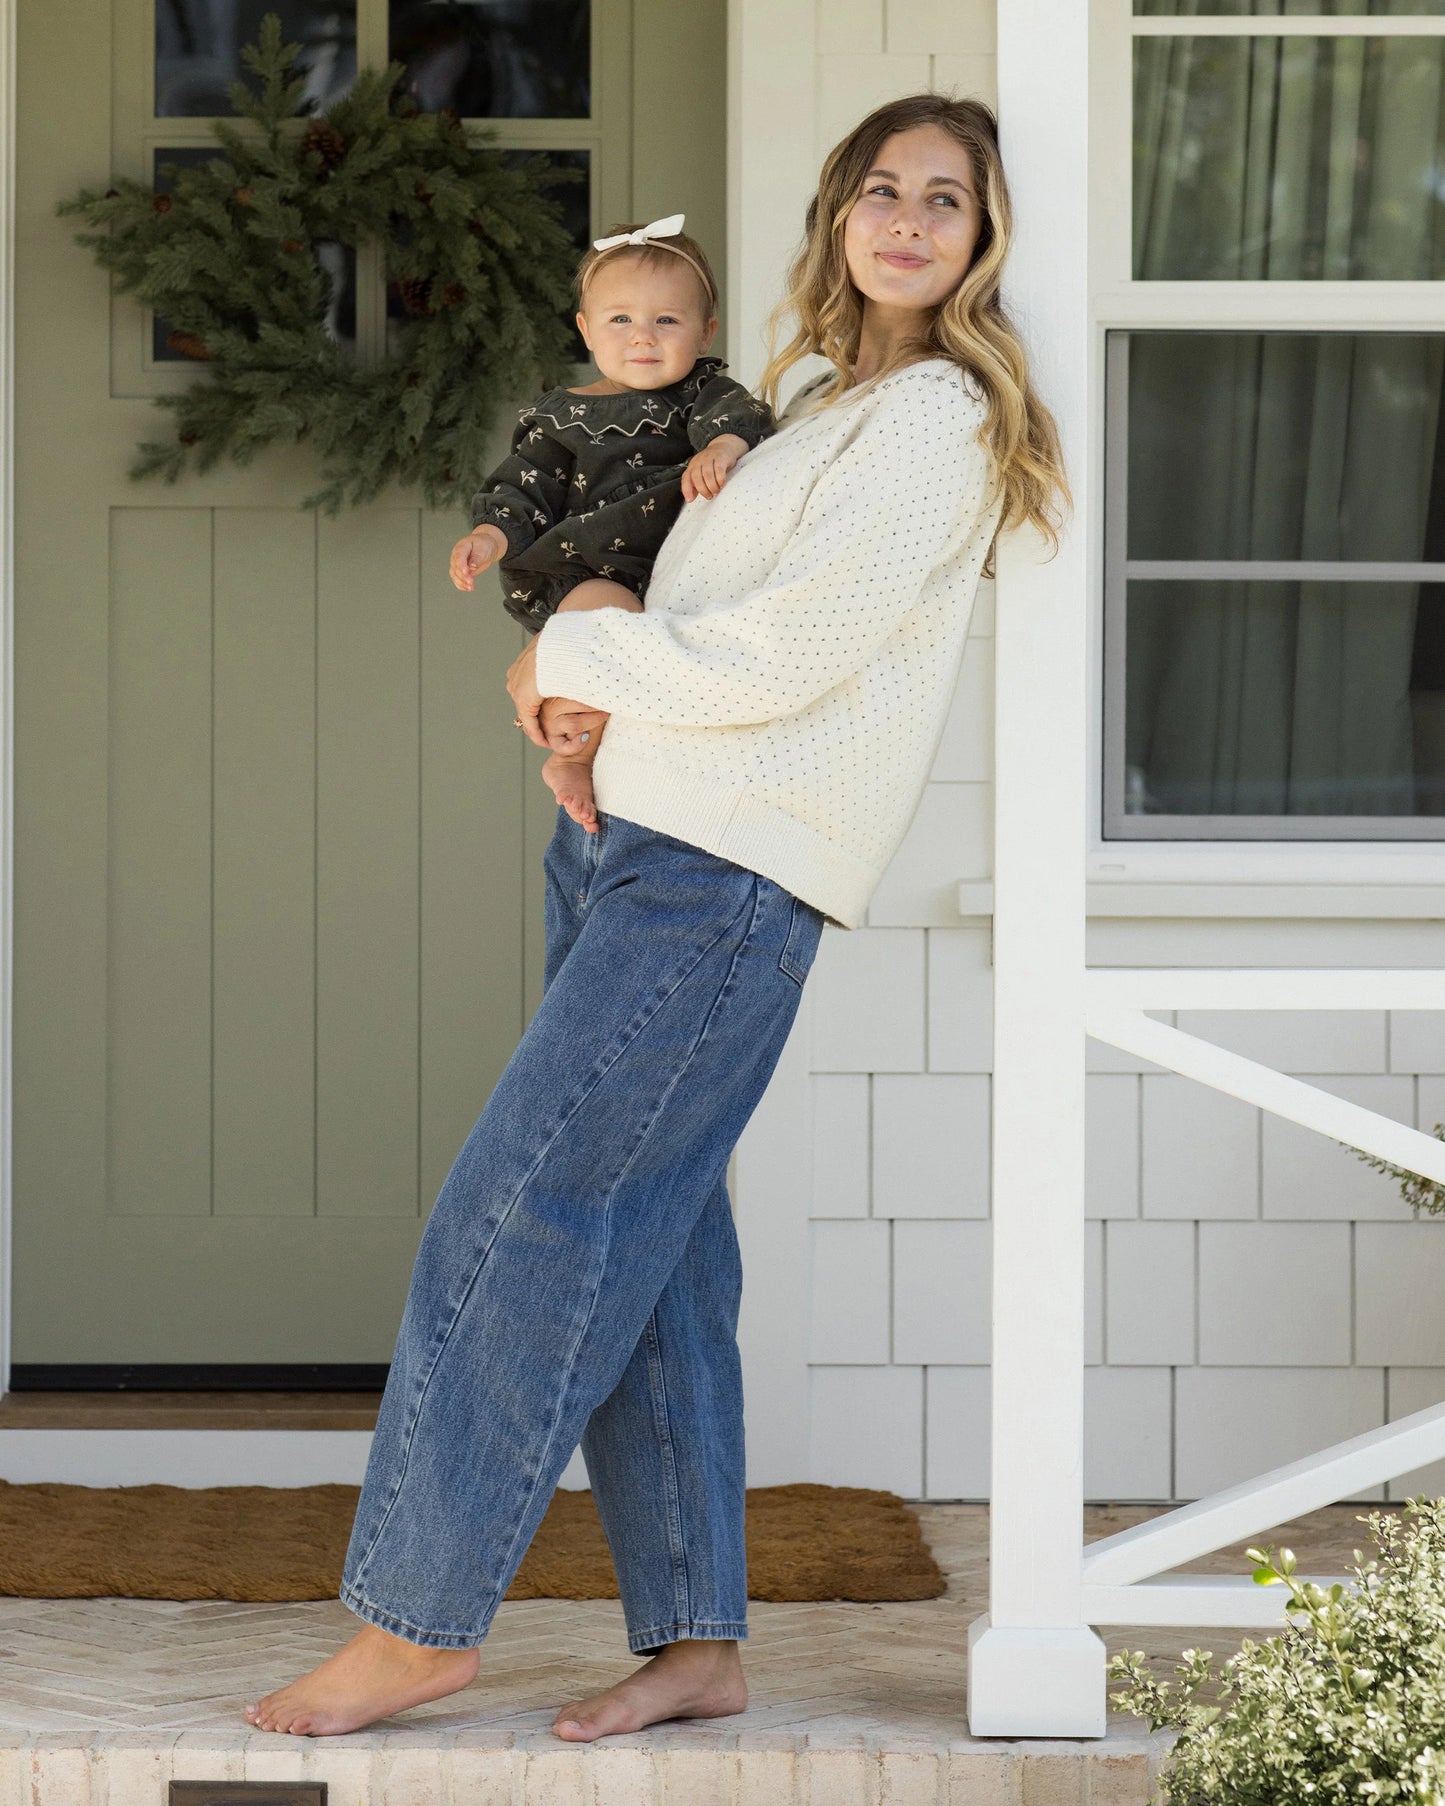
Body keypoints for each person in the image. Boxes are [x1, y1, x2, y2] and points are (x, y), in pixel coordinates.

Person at [243, 90, 1070, 1744]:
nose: (910, 220)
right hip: (640, 836)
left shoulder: (936, 419)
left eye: (948, 197)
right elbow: (698, 610)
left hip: (722, 873)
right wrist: (588, 707)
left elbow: (788, 656)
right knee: (663, 1253)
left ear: (986, 237)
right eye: (884, 189)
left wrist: (567, 654)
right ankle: (697, 1639)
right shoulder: (821, 405)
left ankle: (415, 1621)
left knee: (519, 1212)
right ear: (838, 214)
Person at [454, 214, 774, 833]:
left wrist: (723, 446)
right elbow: (524, 486)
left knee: (644, 679)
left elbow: (746, 418)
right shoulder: (563, 416)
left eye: (667, 320)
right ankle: (573, 759)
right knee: (600, 643)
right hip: (589, 570)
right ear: (585, 329)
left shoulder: (704, 395)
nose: (643, 337)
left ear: (705, 331)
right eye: (620, 319)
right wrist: (489, 536)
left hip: (671, 577)